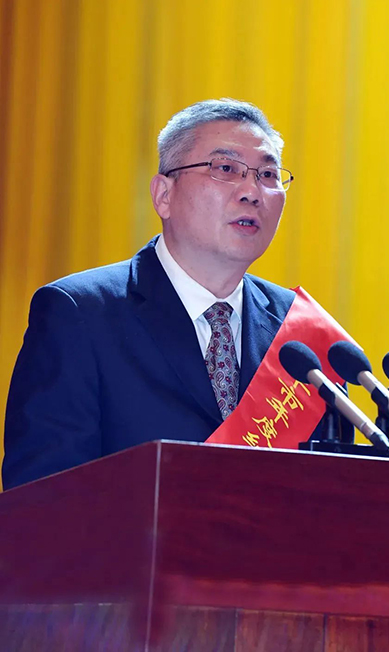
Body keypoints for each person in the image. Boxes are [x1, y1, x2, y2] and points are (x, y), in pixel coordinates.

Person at [2, 99, 298, 490]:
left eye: (268, 174)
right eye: (226, 168)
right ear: (163, 195)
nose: (252, 192)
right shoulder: (79, 314)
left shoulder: (299, 335)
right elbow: (41, 499)